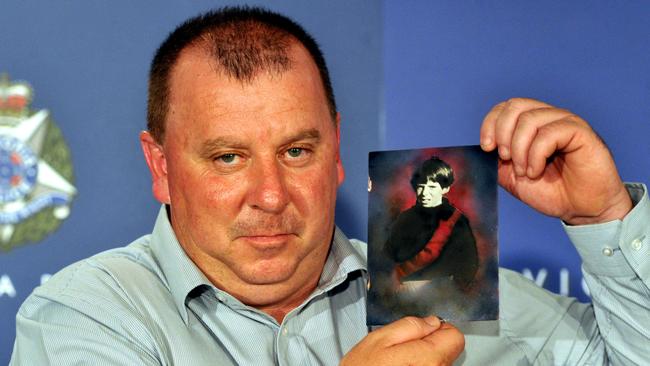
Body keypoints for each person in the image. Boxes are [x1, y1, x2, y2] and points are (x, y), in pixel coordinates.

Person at [10, 6, 649, 366]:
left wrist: (604, 218)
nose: (269, 193)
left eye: (296, 151)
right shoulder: (90, 312)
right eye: (228, 157)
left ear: (336, 152)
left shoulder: (441, 289)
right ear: (161, 167)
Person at [384, 156, 478, 288]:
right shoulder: (406, 218)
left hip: (440, 297)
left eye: (432, 187)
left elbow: (468, 268)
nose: (425, 193)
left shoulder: (457, 222)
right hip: (399, 293)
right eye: (421, 187)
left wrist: (432, 285)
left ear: (445, 189)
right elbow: (388, 257)